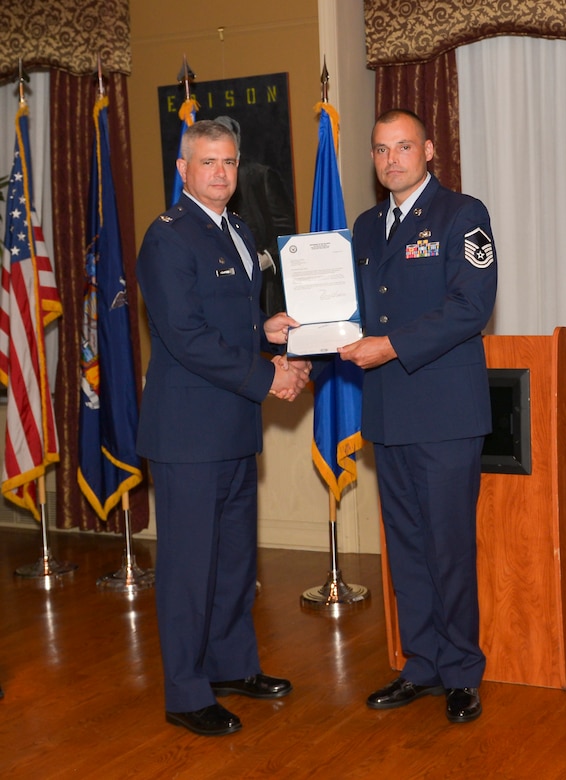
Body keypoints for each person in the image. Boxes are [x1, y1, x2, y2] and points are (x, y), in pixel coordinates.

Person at [136, 120, 311, 737]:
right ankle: (186, 692)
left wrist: (268, 331)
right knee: (189, 567)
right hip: (189, 431)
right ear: (182, 170)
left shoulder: (235, 229)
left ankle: (232, 664)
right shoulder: (169, 238)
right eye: (207, 162)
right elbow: (184, 338)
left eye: (230, 163)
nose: (220, 173)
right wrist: (267, 379)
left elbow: (226, 322)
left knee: (235, 559)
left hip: (232, 424)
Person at [339, 109, 497, 724]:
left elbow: (471, 307)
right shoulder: (367, 225)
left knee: (449, 548)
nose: (391, 160)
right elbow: (358, 308)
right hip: (387, 410)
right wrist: (308, 324)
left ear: (428, 150)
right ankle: (422, 665)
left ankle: (461, 672)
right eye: (381, 150)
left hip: (445, 413)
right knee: (405, 548)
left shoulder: (464, 215)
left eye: (403, 147)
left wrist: (392, 346)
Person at [214, 115, 296, 317]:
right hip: (222, 293)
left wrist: (267, 258)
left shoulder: (261, 176)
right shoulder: (209, 183)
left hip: (263, 290)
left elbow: (287, 229)